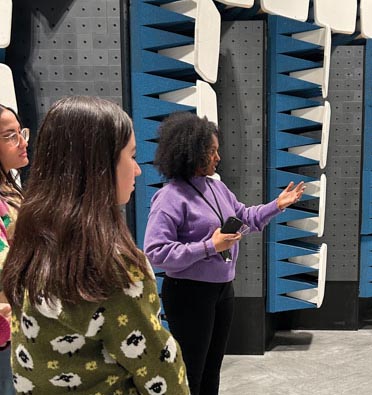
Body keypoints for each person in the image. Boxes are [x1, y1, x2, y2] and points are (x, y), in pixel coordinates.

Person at [2, 96, 190, 395]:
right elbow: (159, 367)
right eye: (131, 156)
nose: (138, 170)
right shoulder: (111, 264)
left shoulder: (31, 237)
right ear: (99, 167)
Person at [144, 112, 305, 395]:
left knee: (212, 368)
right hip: (188, 294)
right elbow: (156, 252)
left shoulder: (217, 187)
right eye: (213, 151)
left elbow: (243, 217)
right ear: (193, 153)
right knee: (191, 370)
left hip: (221, 292)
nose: (218, 158)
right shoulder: (170, 197)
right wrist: (209, 247)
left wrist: (276, 205)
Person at [0, 104, 30, 395]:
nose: (22, 142)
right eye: (11, 136)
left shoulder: (11, 187)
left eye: (21, 133)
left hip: (19, 317)